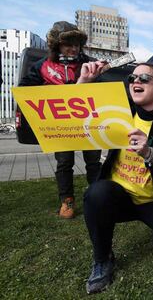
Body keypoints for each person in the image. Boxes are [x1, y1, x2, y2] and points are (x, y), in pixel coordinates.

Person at [83, 62, 153, 294]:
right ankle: (103, 259)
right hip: (118, 197)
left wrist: (150, 153)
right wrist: (84, 83)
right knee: (96, 194)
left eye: (144, 78)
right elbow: (80, 112)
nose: (136, 82)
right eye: (132, 79)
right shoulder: (119, 112)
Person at [19, 21, 106, 219]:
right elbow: (24, 89)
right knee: (64, 163)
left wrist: (94, 80)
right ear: (56, 45)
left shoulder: (90, 63)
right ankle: (67, 201)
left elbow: (103, 92)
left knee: (93, 162)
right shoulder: (43, 66)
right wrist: (51, 92)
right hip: (61, 125)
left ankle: (97, 197)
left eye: (77, 44)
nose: (74, 48)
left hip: (89, 123)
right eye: (69, 44)